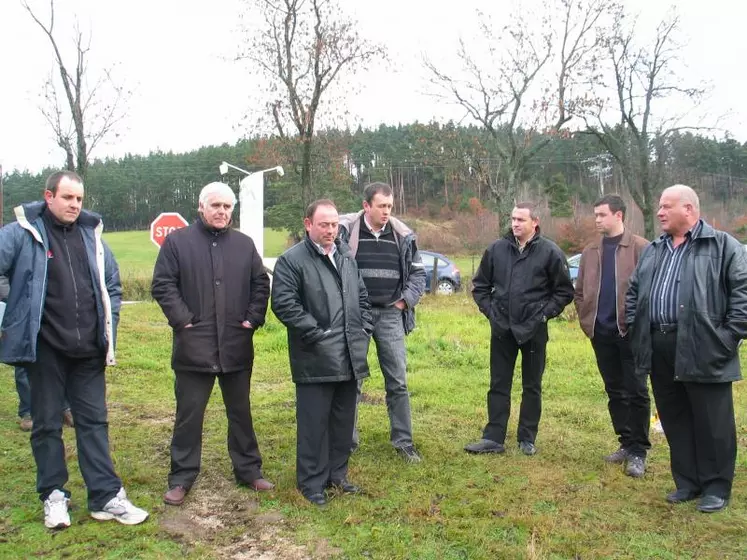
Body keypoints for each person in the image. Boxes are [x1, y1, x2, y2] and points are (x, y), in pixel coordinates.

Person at [0, 170, 148, 529]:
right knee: (47, 424)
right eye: (67, 197)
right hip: (45, 349)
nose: (74, 205)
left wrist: (108, 319)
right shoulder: (21, 233)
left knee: (94, 422)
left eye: (79, 199)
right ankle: (53, 495)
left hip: (88, 351)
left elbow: (111, 283)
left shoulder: (90, 234)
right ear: (48, 196)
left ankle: (105, 496)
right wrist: (20, 306)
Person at [626, 185, 747, 513]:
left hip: (704, 345)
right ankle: (688, 482)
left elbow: (743, 294)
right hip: (659, 344)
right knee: (674, 416)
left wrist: (727, 337)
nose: (660, 212)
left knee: (712, 421)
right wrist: (636, 324)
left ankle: (716, 487)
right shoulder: (655, 249)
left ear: (690, 210)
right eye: (660, 206)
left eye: (666, 206)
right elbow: (635, 290)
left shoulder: (723, 246)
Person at [151, 182, 273, 507]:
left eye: (227, 207)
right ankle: (181, 477)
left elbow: (261, 283)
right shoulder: (177, 243)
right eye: (216, 205)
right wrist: (184, 320)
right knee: (189, 416)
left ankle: (248, 470)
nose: (222, 212)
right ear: (201, 207)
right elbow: (163, 284)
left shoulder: (244, 245)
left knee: (241, 413)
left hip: (236, 344)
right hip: (194, 348)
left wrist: (253, 318)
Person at [271, 199, 373, 506]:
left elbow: (362, 298)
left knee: (343, 422)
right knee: (314, 424)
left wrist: (363, 329)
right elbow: (285, 304)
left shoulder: (345, 256)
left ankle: (337, 476)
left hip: (350, 354)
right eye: (324, 224)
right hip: (315, 356)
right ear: (308, 224)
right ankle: (311, 483)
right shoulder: (291, 261)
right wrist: (316, 333)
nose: (330, 230)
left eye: (334, 225)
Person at [466, 202, 574, 456]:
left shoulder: (550, 252)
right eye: (513, 219)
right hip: (502, 329)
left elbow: (564, 291)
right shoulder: (496, 250)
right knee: (498, 384)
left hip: (534, 330)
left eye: (521, 220)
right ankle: (493, 437)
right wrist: (493, 314)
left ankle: (527, 437)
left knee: (532, 385)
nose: (515, 224)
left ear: (534, 222)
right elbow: (480, 286)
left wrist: (543, 315)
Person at [338, 182, 426, 463]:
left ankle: (404, 442)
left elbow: (419, 276)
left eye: (390, 206)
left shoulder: (403, 235)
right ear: (366, 206)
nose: (387, 211)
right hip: (357, 315)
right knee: (353, 380)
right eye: (381, 206)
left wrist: (404, 302)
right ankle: (345, 442)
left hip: (390, 314)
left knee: (397, 381)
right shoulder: (346, 231)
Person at [573, 194, 651, 477]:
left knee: (637, 391)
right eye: (595, 214)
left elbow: (649, 294)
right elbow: (579, 291)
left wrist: (637, 326)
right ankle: (625, 443)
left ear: (618, 215)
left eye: (601, 214)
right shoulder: (590, 251)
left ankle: (639, 452)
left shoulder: (641, 248)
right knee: (614, 391)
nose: (596, 219)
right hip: (600, 334)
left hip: (630, 335)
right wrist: (585, 320)